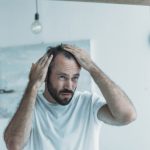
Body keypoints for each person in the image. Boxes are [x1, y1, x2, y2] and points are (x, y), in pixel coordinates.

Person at [4, 44, 137, 150]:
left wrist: (92, 68)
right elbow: (14, 144)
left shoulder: (88, 103)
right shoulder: (30, 105)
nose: (69, 85)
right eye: (62, 77)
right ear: (45, 76)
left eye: (75, 78)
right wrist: (33, 84)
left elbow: (127, 116)